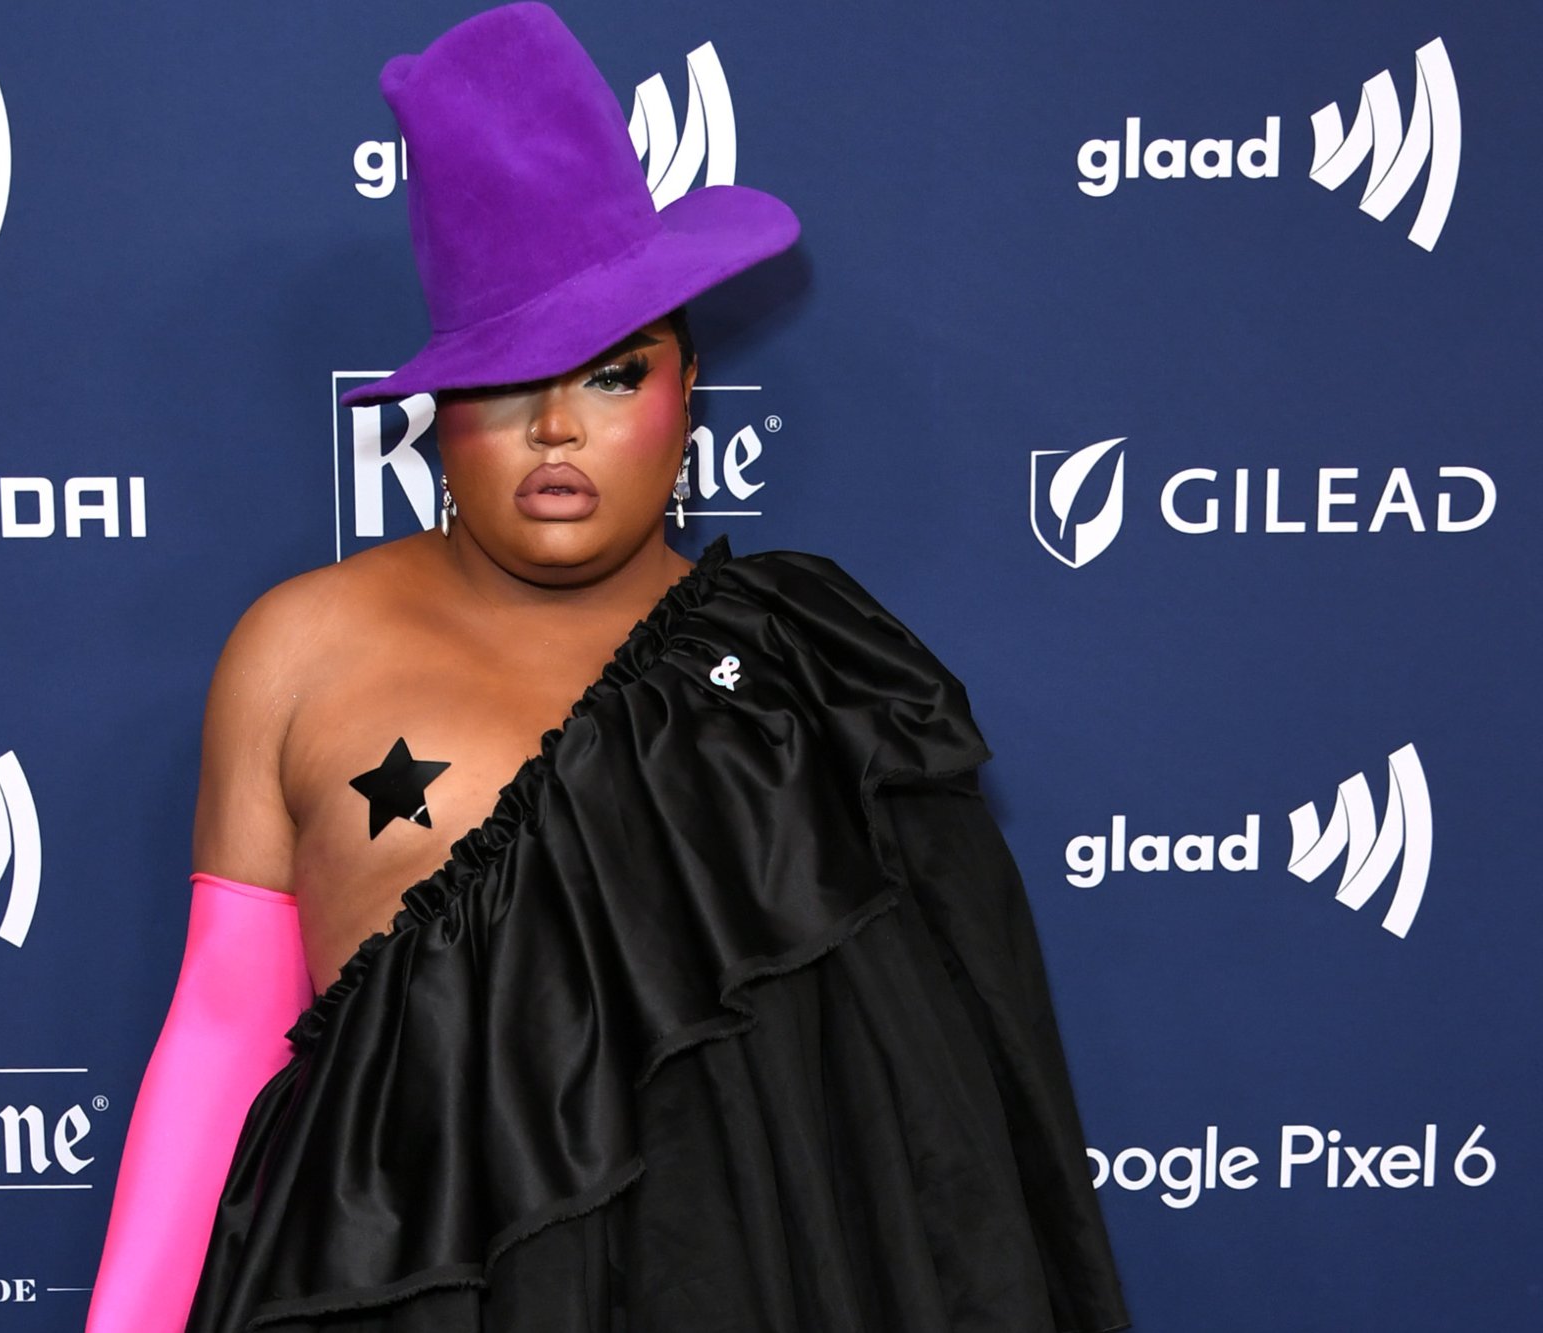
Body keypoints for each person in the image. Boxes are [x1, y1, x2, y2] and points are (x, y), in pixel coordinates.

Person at [89, 5, 1130, 1331]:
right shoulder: (298, 647)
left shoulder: (812, 674)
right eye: (505, 380)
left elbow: (935, 1113)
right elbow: (226, 1028)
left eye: (613, 375)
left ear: (689, 393)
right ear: (438, 415)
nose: (556, 428)